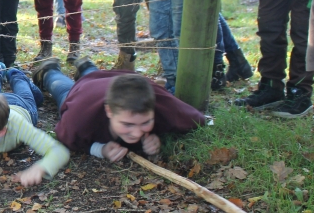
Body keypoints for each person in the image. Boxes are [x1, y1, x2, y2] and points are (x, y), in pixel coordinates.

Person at [32, 57, 205, 161]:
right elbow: (65, 137)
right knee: (63, 90)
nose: (137, 133)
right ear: (109, 111)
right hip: (85, 93)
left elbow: (196, 119)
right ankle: (50, 71)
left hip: (122, 79)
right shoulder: (79, 117)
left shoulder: (162, 102)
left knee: (95, 74)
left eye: (145, 123)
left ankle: (86, 66)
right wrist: (100, 149)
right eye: (128, 124)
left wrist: (159, 136)